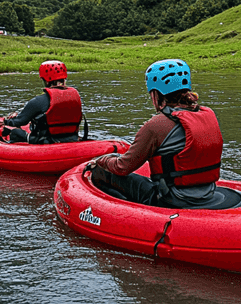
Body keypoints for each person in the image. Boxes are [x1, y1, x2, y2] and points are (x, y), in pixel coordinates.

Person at [88, 59, 223, 208]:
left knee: (100, 172)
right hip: (208, 193)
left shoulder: (156, 125)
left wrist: (101, 161)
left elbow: (122, 167)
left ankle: (125, 216)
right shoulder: (207, 114)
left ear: (156, 94)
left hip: (171, 199)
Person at [0, 60, 83, 144]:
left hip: (46, 141)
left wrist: (5, 121)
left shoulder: (38, 101)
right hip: (72, 139)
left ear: (46, 81)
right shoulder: (75, 98)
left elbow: (20, 121)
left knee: (15, 132)